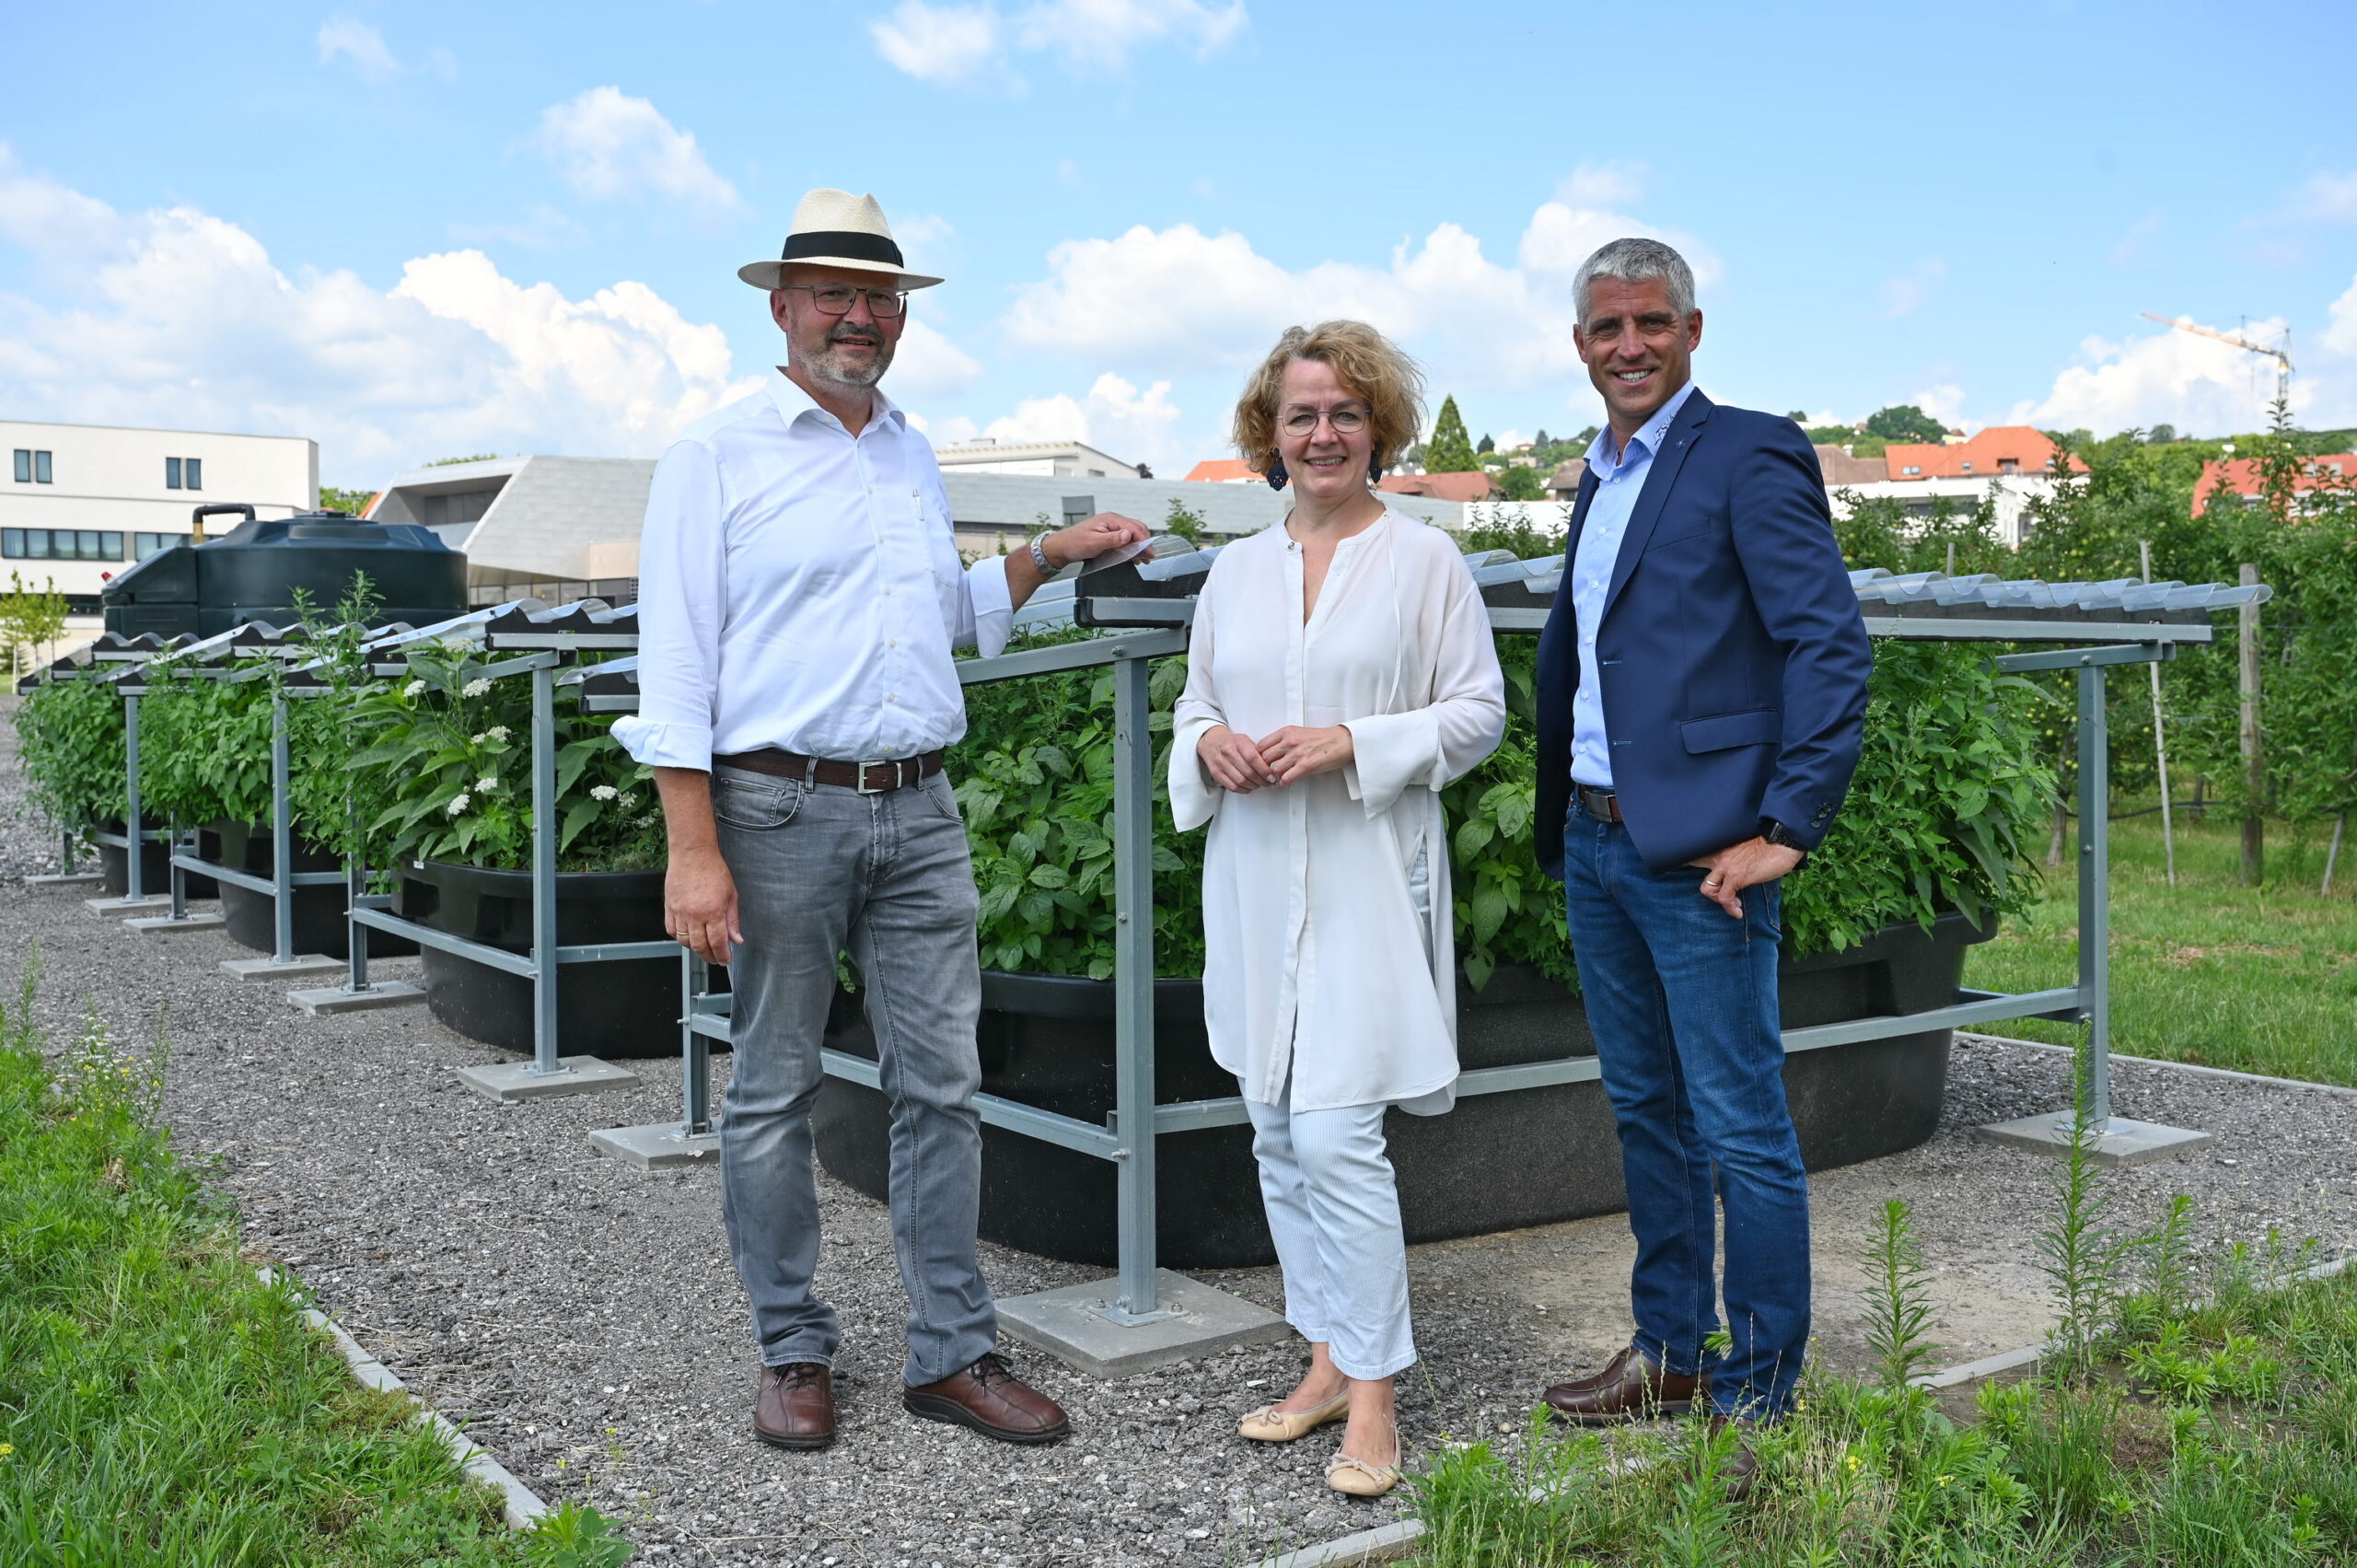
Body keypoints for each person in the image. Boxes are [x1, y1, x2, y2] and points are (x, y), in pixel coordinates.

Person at [614, 189, 1150, 1453]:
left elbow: (933, 620)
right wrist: (694, 848)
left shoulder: (908, 449)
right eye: (836, 294)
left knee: (943, 1085)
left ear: (901, 315)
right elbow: (677, 665)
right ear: (781, 306)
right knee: (774, 1088)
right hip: (777, 805)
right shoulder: (717, 454)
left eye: (882, 296)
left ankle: (950, 1351)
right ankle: (793, 1347)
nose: (860, 315)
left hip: (919, 807)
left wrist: (1045, 556)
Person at [1530, 238, 1873, 1495]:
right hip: (1597, 838)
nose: (1631, 346)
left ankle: (1762, 1386)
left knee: (1741, 1127)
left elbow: (1826, 644)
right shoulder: (1599, 473)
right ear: (1580, 344)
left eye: (1653, 323)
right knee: (1646, 1114)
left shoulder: (1747, 452)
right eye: (1608, 327)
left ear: (1693, 329)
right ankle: (1672, 1351)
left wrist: (1788, 821)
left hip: (1706, 859)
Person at [1170, 320, 1506, 1499]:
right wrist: (1210, 743)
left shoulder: (1425, 561)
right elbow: (1196, 702)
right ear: (1270, 432)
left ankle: (1376, 1393)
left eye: (1344, 412)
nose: (1322, 433)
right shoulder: (1235, 570)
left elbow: (1478, 713)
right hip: (1258, 878)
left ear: (1380, 430)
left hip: (1367, 876)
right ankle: (1321, 1357)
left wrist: (1353, 741)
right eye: (1301, 413)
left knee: (1333, 1135)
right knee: (1271, 1123)